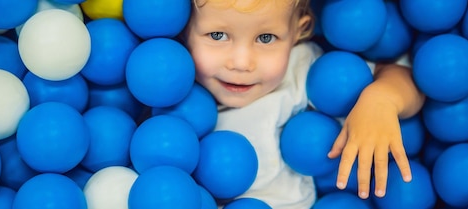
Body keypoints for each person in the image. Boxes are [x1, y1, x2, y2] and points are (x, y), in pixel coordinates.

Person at [181, 0, 426, 208]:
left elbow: (409, 80)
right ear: (183, 29)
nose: (242, 63)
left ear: (299, 30)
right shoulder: (175, 101)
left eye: (266, 38)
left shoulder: (302, 71)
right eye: (218, 35)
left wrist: (381, 100)